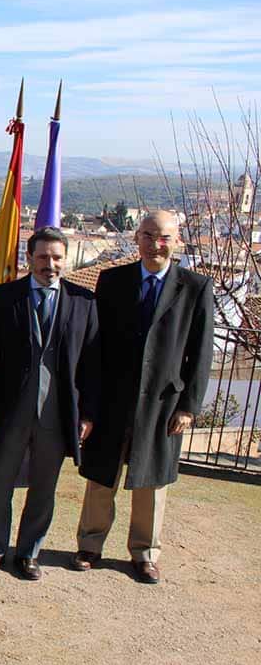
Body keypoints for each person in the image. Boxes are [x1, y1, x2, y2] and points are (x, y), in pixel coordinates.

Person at [72, 210, 214, 584]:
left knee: (152, 482)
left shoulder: (195, 287)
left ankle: (145, 553)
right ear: (137, 239)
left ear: (177, 241)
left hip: (163, 404)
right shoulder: (112, 280)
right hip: (113, 399)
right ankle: (89, 546)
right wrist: (89, 402)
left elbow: (201, 354)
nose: (156, 244)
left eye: (164, 237)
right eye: (149, 235)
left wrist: (190, 407)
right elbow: (95, 345)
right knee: (102, 477)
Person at [0, 227, 100, 580]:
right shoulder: (3, 297)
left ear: (66, 260)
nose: (50, 264)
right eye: (43, 257)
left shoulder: (84, 302)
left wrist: (88, 413)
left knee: (44, 488)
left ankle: (29, 553)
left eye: (57, 257)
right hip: (10, 410)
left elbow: (93, 363)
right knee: (0, 484)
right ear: (29, 258)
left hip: (58, 415)